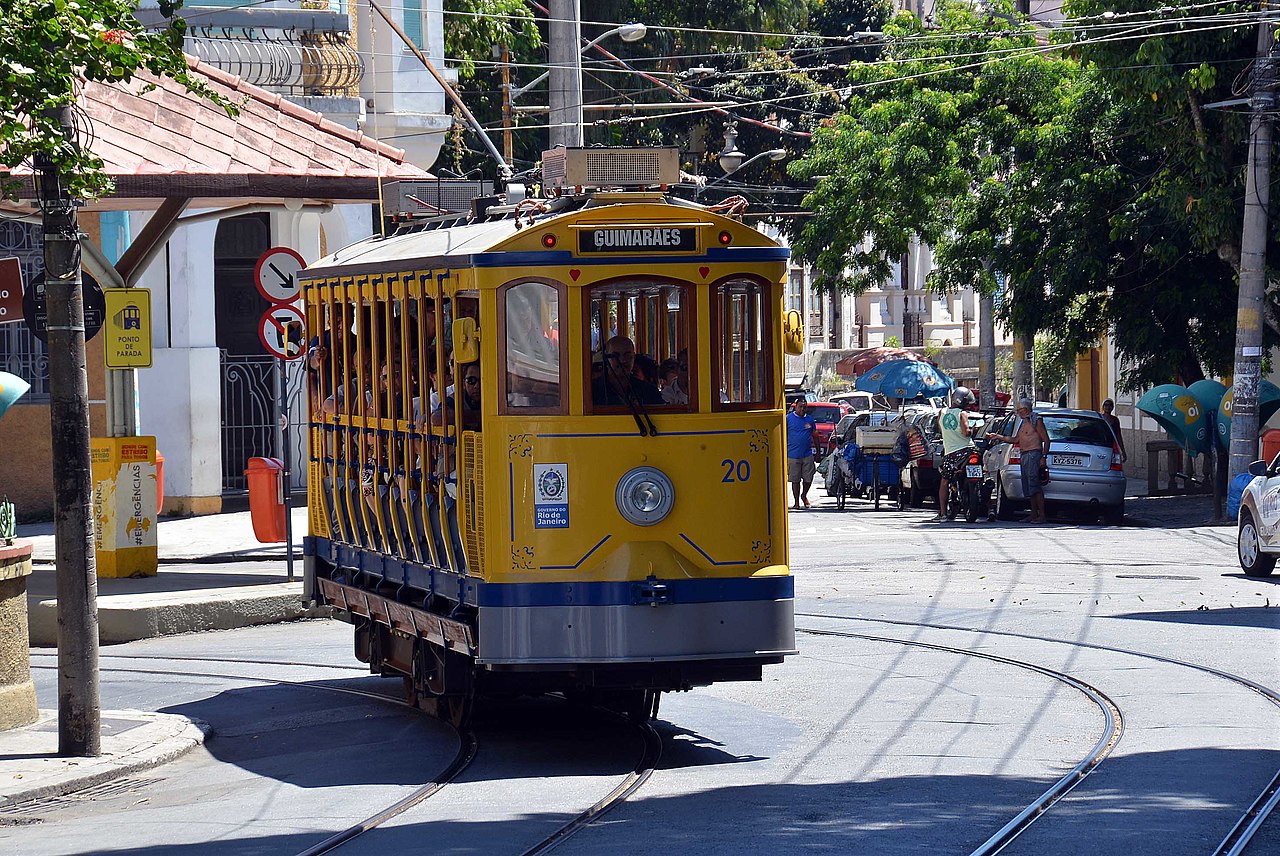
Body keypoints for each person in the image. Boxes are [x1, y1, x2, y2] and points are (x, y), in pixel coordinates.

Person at [989, 398, 1051, 523]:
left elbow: (1046, 440)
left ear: (1026, 410)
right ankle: (1033, 514)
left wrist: (1043, 457)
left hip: (1033, 454)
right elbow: (1015, 439)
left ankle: (1041, 515)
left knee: (1035, 485)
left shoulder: (1036, 420)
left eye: (1020, 410)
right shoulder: (1023, 423)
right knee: (1028, 486)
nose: (1018, 413)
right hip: (1024, 454)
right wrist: (998, 436)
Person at [935, 386, 979, 522]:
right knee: (982, 474)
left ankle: (943, 513)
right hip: (968, 451)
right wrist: (974, 429)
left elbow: (940, 430)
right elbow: (966, 433)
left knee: (944, 481)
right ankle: (989, 508)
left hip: (951, 454)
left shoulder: (942, 412)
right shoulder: (962, 414)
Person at [593, 335, 664, 406]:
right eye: (615, 356)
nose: (622, 360)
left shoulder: (649, 391)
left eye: (627, 355)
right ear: (606, 358)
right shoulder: (593, 391)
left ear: (634, 357)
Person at [787, 399, 819, 509]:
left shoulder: (810, 419)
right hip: (793, 455)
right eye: (800, 406)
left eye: (804, 407)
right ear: (796, 407)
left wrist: (818, 452)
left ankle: (804, 495)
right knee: (795, 480)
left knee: (808, 478)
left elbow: (815, 436)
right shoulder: (788, 419)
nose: (802, 409)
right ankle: (796, 502)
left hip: (807, 454)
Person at [1101, 398, 1126, 462]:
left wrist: (1123, 451)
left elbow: (1118, 435)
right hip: (1101, 444)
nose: (1108, 407)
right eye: (1106, 405)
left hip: (1112, 445)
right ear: (1103, 407)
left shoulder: (1115, 420)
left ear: (1112, 407)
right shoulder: (1100, 418)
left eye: (1110, 405)